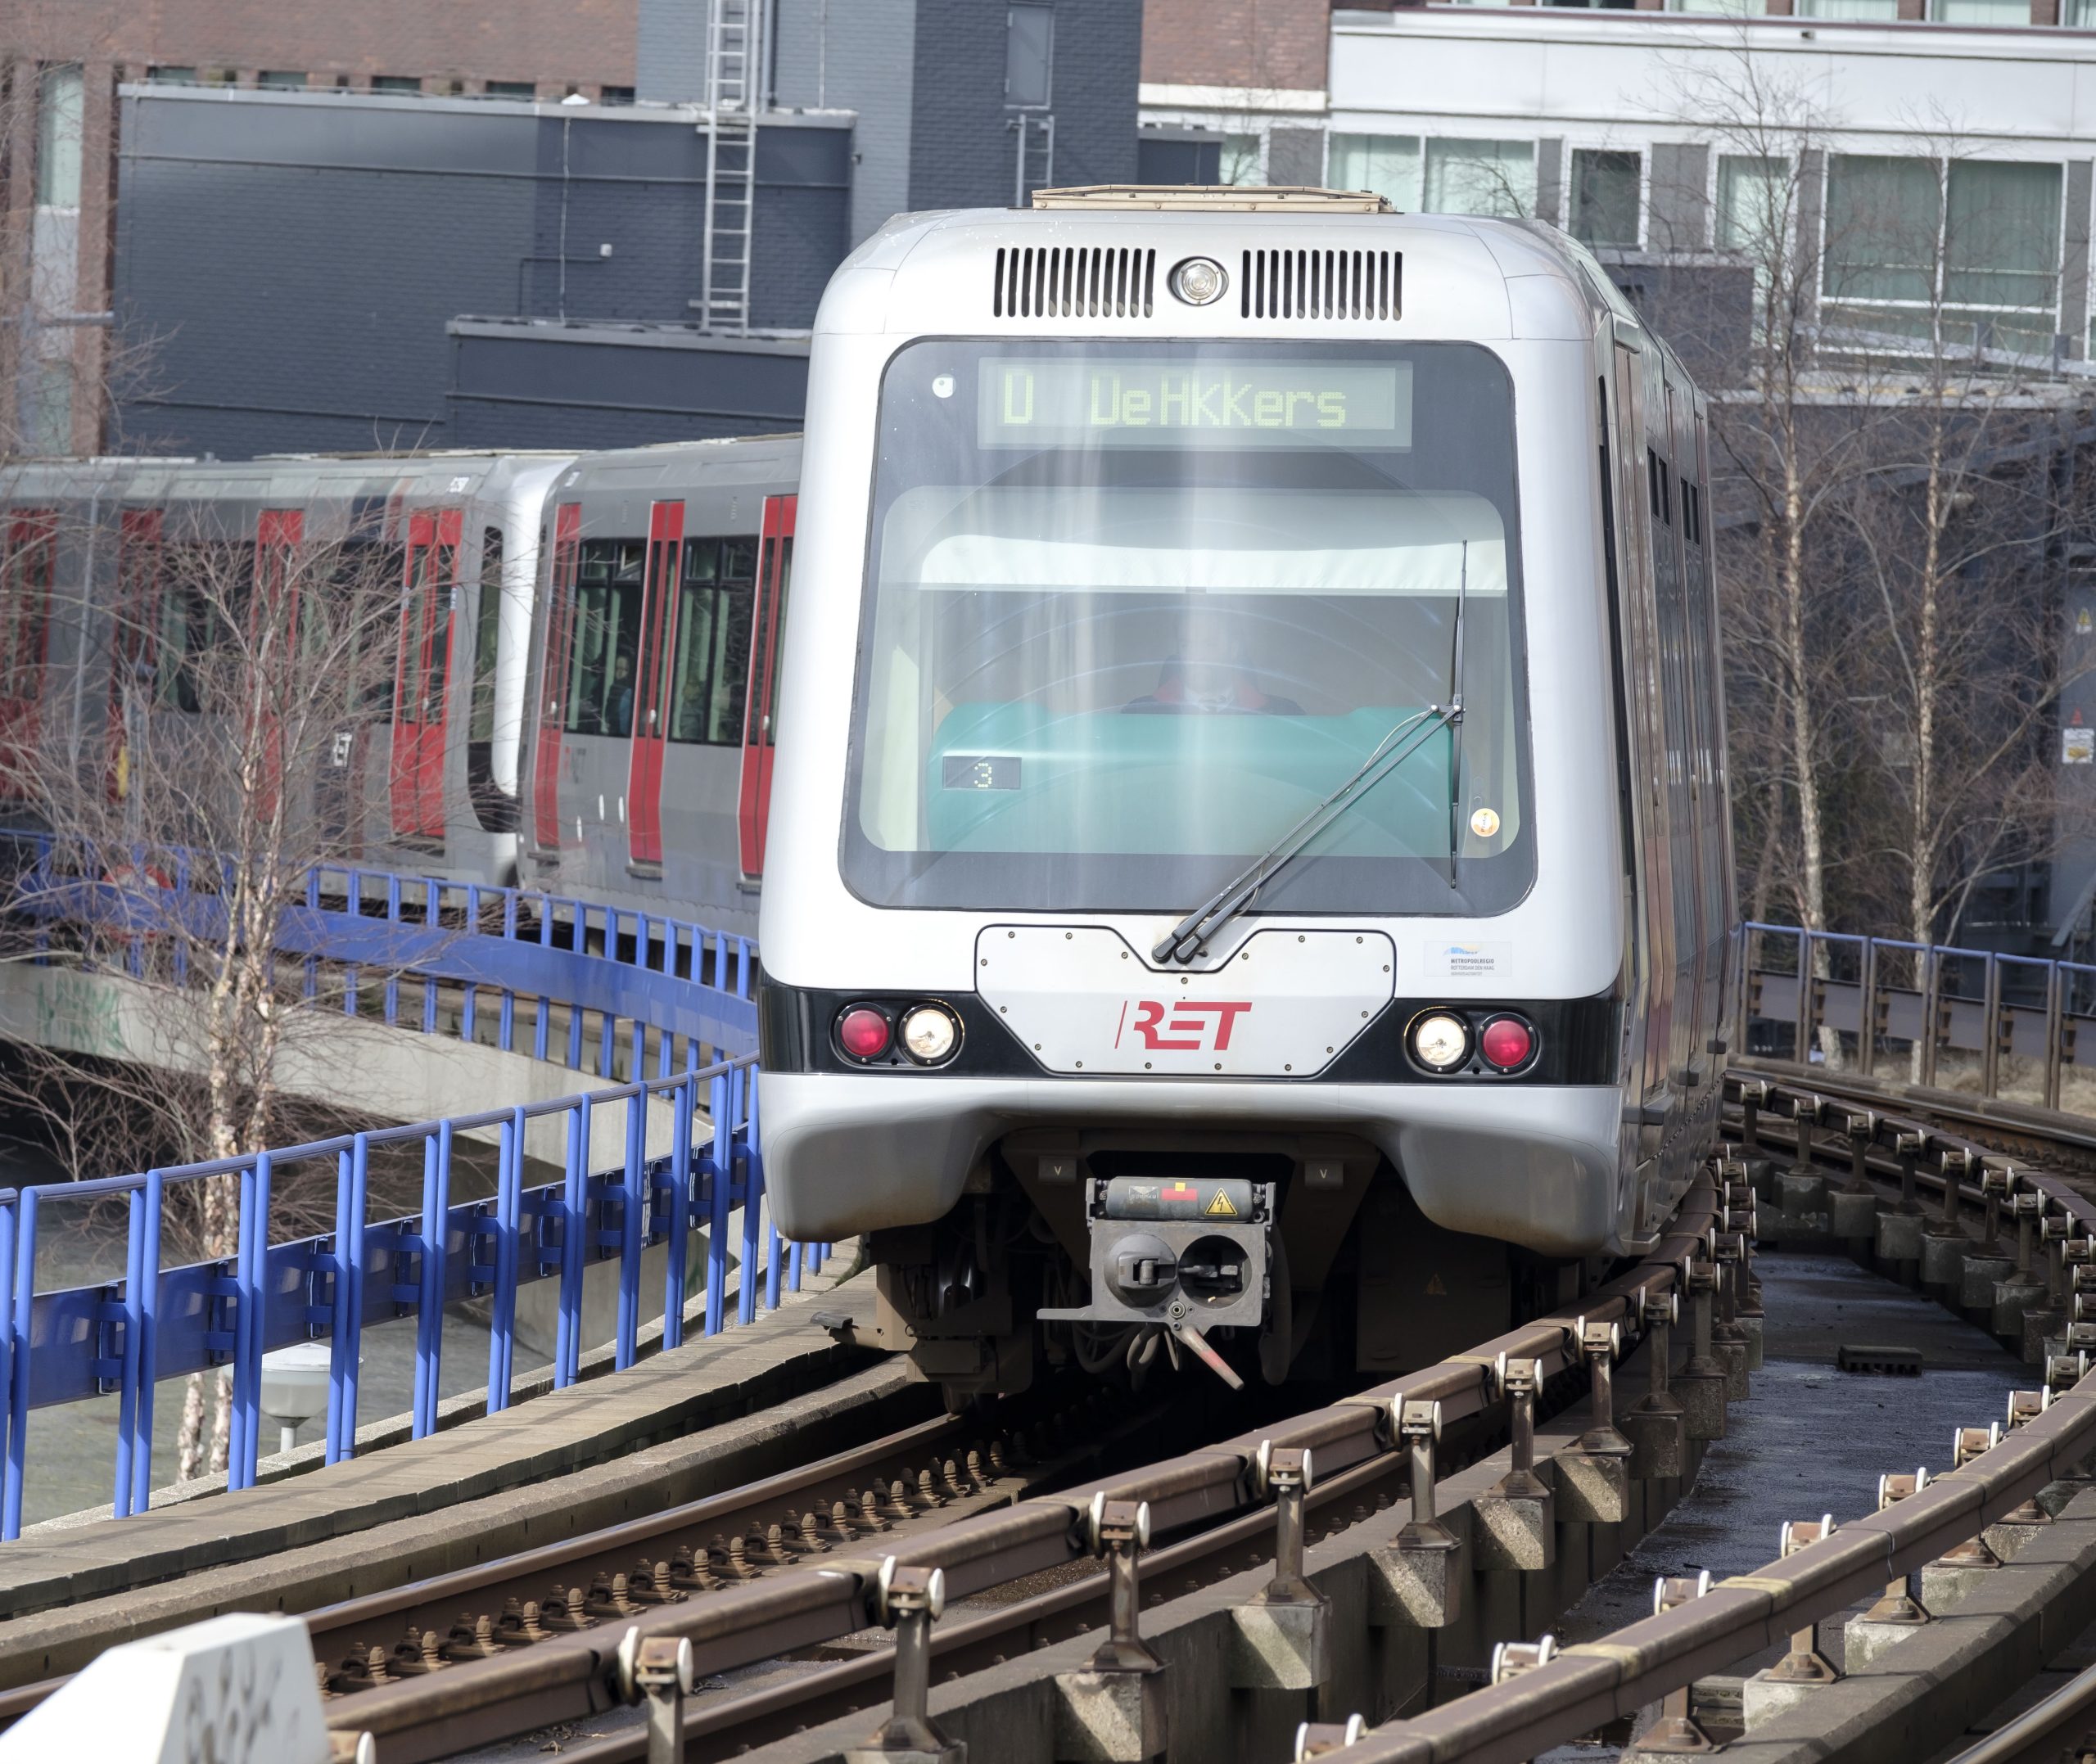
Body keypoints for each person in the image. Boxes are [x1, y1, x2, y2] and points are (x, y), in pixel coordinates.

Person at [1123, 617, 1303, 715]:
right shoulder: (1139, 715)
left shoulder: (1284, 716)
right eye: (1187, 645)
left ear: (1233, 650)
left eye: (1209, 644)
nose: (1196, 656)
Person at [609, 650, 635, 737]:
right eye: (618, 668)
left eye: (624, 669)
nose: (620, 672)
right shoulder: (612, 688)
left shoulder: (628, 692)